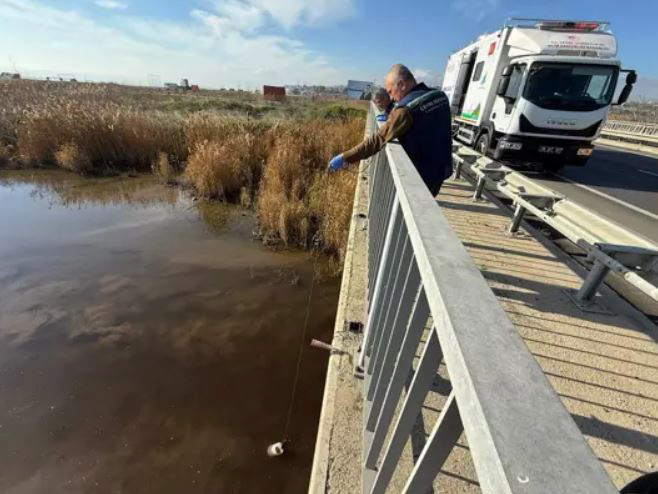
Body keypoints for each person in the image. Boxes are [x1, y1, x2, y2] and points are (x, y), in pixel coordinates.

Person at [328, 64, 452, 196]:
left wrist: (344, 158)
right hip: (442, 168)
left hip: (421, 176)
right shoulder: (440, 96)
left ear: (402, 84)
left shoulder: (406, 110)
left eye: (390, 91)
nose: (391, 98)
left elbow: (377, 140)